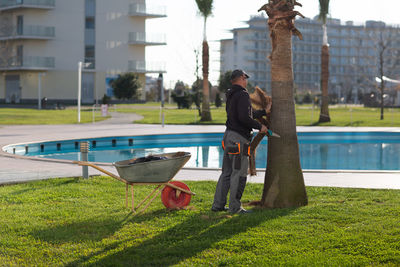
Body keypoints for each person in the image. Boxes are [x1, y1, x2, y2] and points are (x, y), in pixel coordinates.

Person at [211, 69, 268, 214]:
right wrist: (260, 126)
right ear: (242, 78)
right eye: (245, 78)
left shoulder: (231, 94)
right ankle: (235, 207)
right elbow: (244, 118)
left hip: (228, 137)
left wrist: (263, 112)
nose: (246, 81)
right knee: (239, 174)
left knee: (227, 173)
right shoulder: (242, 94)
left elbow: (246, 113)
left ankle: (218, 205)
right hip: (238, 141)